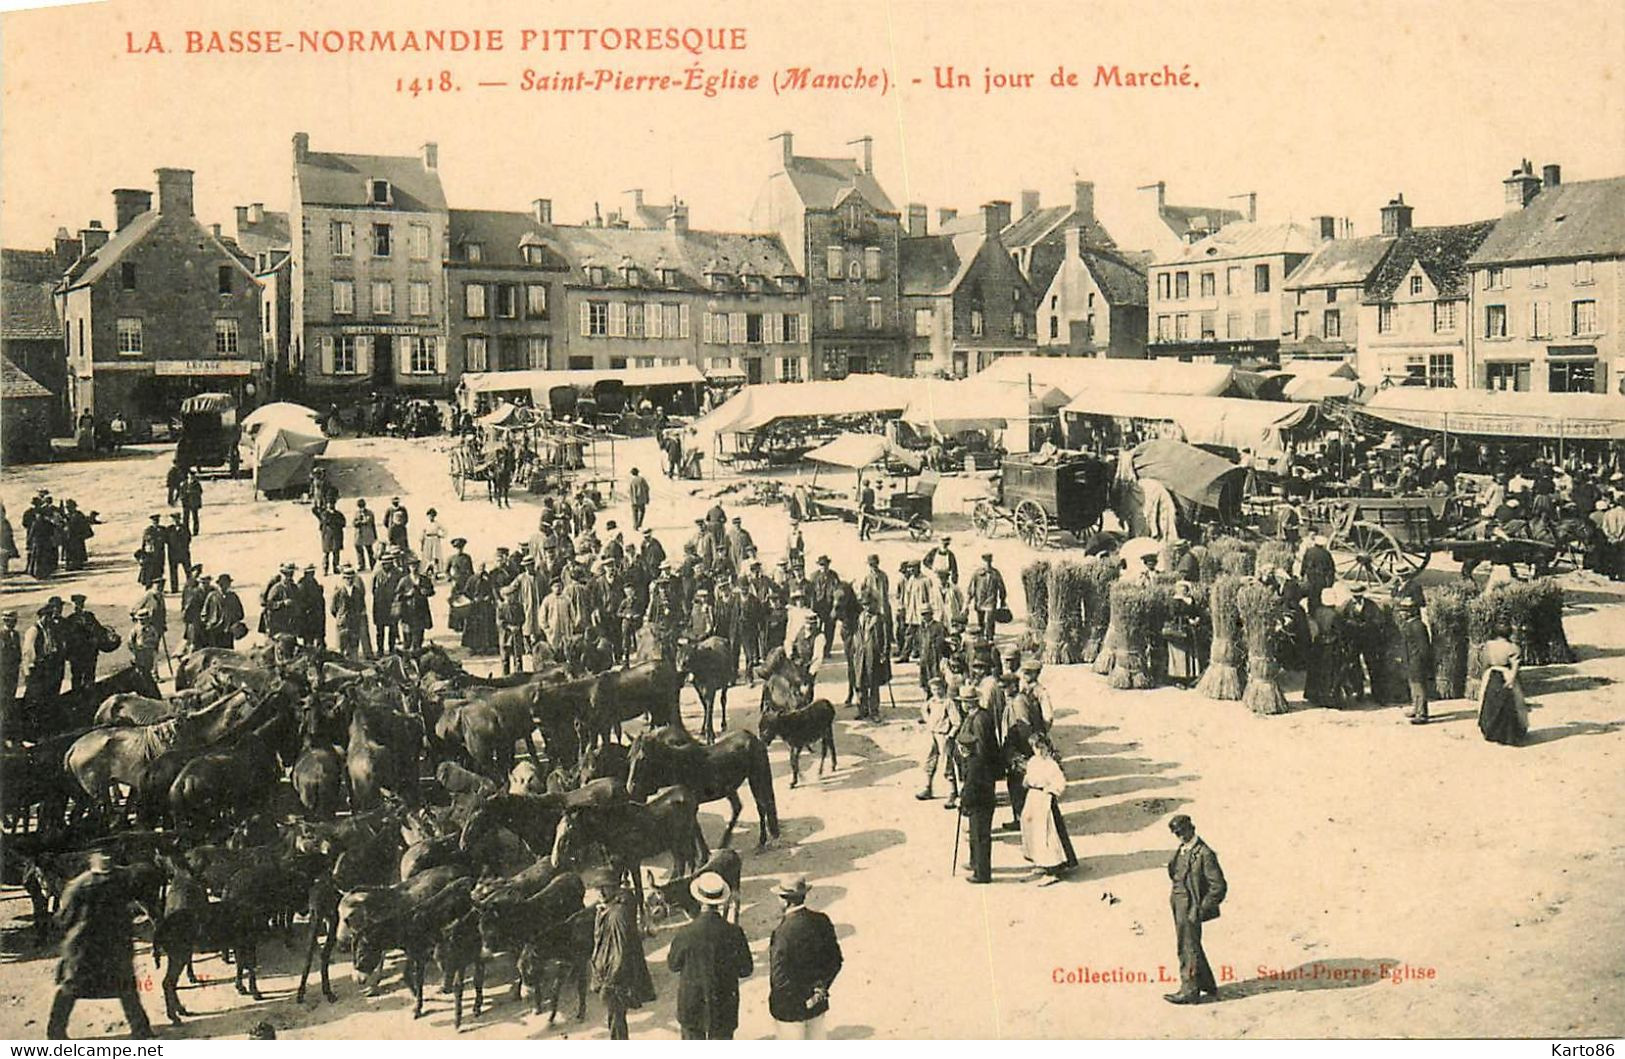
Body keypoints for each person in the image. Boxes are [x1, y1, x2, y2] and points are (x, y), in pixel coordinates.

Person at [46, 852, 152, 1040]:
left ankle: (56, 1031)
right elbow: (135, 905)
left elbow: (64, 917)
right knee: (125, 986)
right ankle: (141, 1029)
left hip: (84, 945)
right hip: (114, 944)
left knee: (71, 986)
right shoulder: (121, 881)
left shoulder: (80, 885)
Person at [666, 872, 753, 1040]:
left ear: (698, 899)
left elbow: (673, 965)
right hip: (724, 1004)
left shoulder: (685, 933)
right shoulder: (734, 932)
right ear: (721, 901)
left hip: (692, 1005)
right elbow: (746, 969)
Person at [768, 875, 843, 1039]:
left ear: (785, 901)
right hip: (817, 1005)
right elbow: (836, 961)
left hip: (790, 1011)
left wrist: (801, 999)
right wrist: (819, 990)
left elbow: (779, 979)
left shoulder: (782, 932)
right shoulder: (822, 920)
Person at [1164, 814, 1227, 1005]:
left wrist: (1200, 909)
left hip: (1191, 907)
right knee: (1191, 944)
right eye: (1177, 833)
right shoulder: (1182, 850)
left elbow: (1218, 887)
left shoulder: (1205, 854)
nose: (1181, 836)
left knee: (1187, 947)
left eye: (1183, 831)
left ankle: (1189, 990)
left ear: (1192, 828)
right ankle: (1207, 984)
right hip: (1179, 903)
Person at [589, 870, 656, 1040]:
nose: (601, 893)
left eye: (605, 888)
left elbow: (620, 948)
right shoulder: (616, 905)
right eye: (598, 889)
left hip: (614, 977)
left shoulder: (618, 914)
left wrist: (610, 980)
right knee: (616, 1019)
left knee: (616, 1021)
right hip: (611, 973)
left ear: (615, 889)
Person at [954, 683, 998, 884]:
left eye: (963, 702)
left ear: (969, 703)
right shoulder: (976, 716)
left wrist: (972, 769)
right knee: (975, 830)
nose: (962, 705)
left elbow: (982, 749)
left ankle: (981, 870)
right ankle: (975, 862)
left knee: (980, 832)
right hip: (977, 775)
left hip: (979, 779)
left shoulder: (979, 719)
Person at [1020, 735, 1071, 884]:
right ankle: (1040, 861)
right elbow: (1028, 778)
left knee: (1046, 832)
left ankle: (1053, 868)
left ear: (1047, 747)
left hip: (1045, 798)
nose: (1039, 751)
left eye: (1042, 747)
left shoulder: (1051, 764)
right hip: (1033, 798)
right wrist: (1027, 781)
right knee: (1031, 828)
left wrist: (1049, 790)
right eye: (1036, 748)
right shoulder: (1033, 762)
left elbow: (1060, 783)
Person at [1477, 624, 1529, 745]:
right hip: (1506, 674)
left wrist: (1484, 676)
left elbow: (1484, 662)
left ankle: (1491, 731)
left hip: (1491, 674)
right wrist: (1512, 679)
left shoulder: (1488, 645)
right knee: (1511, 704)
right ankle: (1509, 734)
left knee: (1489, 703)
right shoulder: (1512, 647)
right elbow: (1515, 665)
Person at [20, 599, 66, 732]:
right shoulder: (34, 630)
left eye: (51, 615)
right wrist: (29, 672)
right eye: (47, 615)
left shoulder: (50, 629)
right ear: (42, 616)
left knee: (47, 698)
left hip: (48, 669)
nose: (50, 618)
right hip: (36, 670)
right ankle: (29, 729)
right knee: (34, 699)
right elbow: (28, 653)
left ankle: (44, 726)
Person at [916, 675, 961, 805]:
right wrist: (928, 720)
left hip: (944, 735)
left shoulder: (948, 703)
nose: (937, 692)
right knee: (930, 760)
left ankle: (952, 792)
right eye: (934, 689)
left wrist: (950, 735)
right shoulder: (931, 702)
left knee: (947, 763)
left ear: (944, 688)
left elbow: (957, 722)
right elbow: (924, 710)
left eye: (939, 689)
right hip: (932, 734)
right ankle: (928, 788)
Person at [60, 595, 119, 692]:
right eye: (76, 604)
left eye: (80, 604)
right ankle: (77, 697)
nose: (77, 606)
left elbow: (99, 630)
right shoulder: (70, 619)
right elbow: (66, 638)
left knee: (90, 676)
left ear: (83, 605)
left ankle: (89, 697)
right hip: (76, 654)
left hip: (90, 653)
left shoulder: (90, 617)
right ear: (73, 605)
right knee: (76, 677)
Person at [1396, 597, 1432, 724]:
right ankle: (1416, 709)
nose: (1401, 613)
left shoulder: (1417, 626)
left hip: (1417, 662)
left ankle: (1422, 714)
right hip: (1411, 661)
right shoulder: (1410, 624)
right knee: (1413, 686)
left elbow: (1424, 648)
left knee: (1419, 687)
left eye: (1403, 611)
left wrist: (1421, 662)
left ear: (1410, 612)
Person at [330, 565, 369, 661]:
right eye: (347, 578)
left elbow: (361, 607)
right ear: (343, 579)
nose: (349, 580)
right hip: (342, 625)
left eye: (351, 578)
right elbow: (333, 609)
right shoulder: (338, 592)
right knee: (341, 649)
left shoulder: (358, 592)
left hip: (354, 624)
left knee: (354, 648)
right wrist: (341, 617)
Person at [297, 565, 326, 651]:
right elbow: (300, 602)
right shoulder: (302, 584)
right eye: (311, 572)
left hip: (317, 617)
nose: (313, 574)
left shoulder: (314, 582)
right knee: (308, 641)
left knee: (318, 639)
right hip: (308, 618)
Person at [162, 513, 191, 594]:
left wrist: (183, 546)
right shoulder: (169, 529)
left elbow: (188, 538)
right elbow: (166, 540)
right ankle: (174, 589)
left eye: (177, 519)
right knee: (173, 572)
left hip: (184, 553)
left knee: (188, 571)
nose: (176, 521)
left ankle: (190, 587)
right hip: (173, 554)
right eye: (174, 520)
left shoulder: (184, 527)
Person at [0, 611, 20, 727]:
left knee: (11, 698)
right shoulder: (1, 635)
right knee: (4, 699)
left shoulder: (16, 634)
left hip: (13, 671)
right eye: (9, 621)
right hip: (4, 673)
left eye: (14, 621)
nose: (12, 623)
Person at [136, 514, 166, 588]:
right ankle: (149, 587)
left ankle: (159, 587)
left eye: (157, 521)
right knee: (150, 571)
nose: (155, 522)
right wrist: (142, 555)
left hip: (160, 554)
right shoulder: (148, 530)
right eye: (154, 521)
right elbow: (144, 543)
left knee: (159, 570)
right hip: (150, 554)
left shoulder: (162, 529)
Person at [317, 503, 346, 575]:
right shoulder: (325, 514)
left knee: (336, 553)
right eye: (329, 505)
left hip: (336, 536)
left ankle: (336, 568)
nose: (331, 507)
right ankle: (325, 569)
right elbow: (324, 523)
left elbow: (343, 523)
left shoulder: (339, 514)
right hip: (327, 537)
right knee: (326, 554)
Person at [419, 509, 446, 578]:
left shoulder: (437, 524)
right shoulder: (425, 524)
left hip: (435, 540)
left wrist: (440, 536)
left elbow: (445, 531)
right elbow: (422, 534)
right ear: (427, 516)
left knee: (435, 556)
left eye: (433, 516)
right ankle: (427, 571)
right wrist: (422, 544)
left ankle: (436, 572)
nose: (431, 517)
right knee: (427, 556)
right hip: (427, 540)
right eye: (430, 516)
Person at [352, 499, 378, 571]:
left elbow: (373, 524)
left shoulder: (370, 513)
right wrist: (360, 521)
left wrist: (375, 535)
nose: (361, 508)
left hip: (367, 535)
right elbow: (353, 524)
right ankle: (361, 565)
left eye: (362, 506)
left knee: (369, 550)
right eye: (360, 507)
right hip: (359, 535)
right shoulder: (356, 513)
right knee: (359, 551)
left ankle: (373, 565)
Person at [179, 471, 203, 535]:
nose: (192, 478)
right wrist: (183, 498)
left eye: (193, 477)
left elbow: (200, 492)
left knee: (195, 517)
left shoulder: (197, 484)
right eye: (190, 477)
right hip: (186, 503)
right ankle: (186, 531)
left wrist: (192, 492)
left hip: (194, 503)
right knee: (185, 518)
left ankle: (195, 531)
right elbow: (181, 493)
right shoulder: (184, 484)